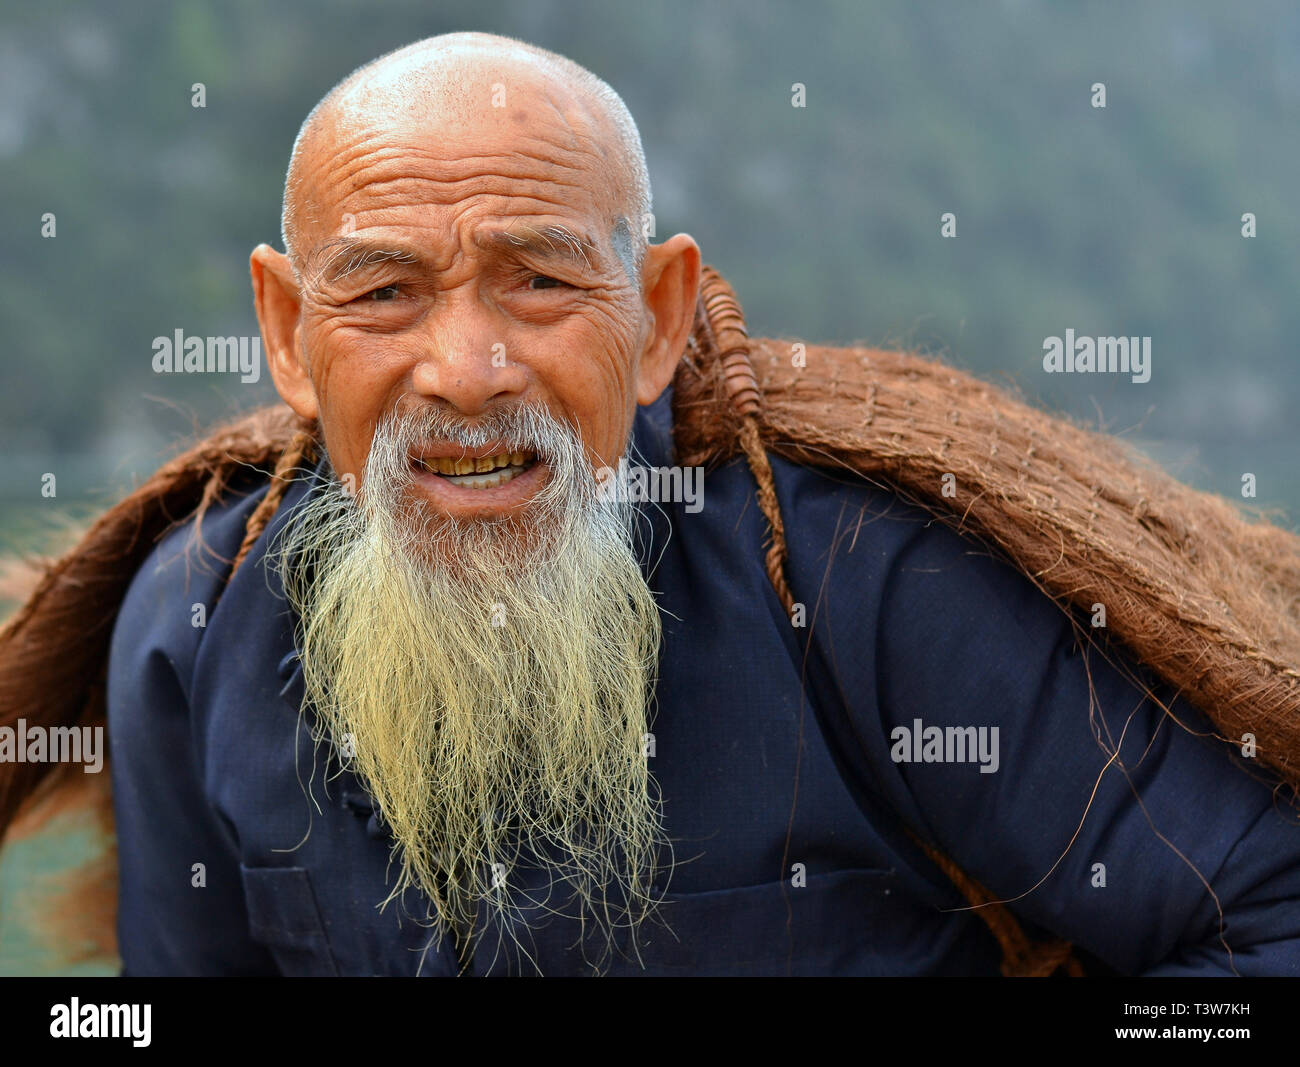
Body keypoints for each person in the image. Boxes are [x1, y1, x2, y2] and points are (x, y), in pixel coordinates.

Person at [9, 31, 1300, 976]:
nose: (466, 371)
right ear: (289, 334)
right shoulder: (196, 616)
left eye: (541, 283)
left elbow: (1265, 920)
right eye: (385, 293)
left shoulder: (871, 584)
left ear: (659, 319)